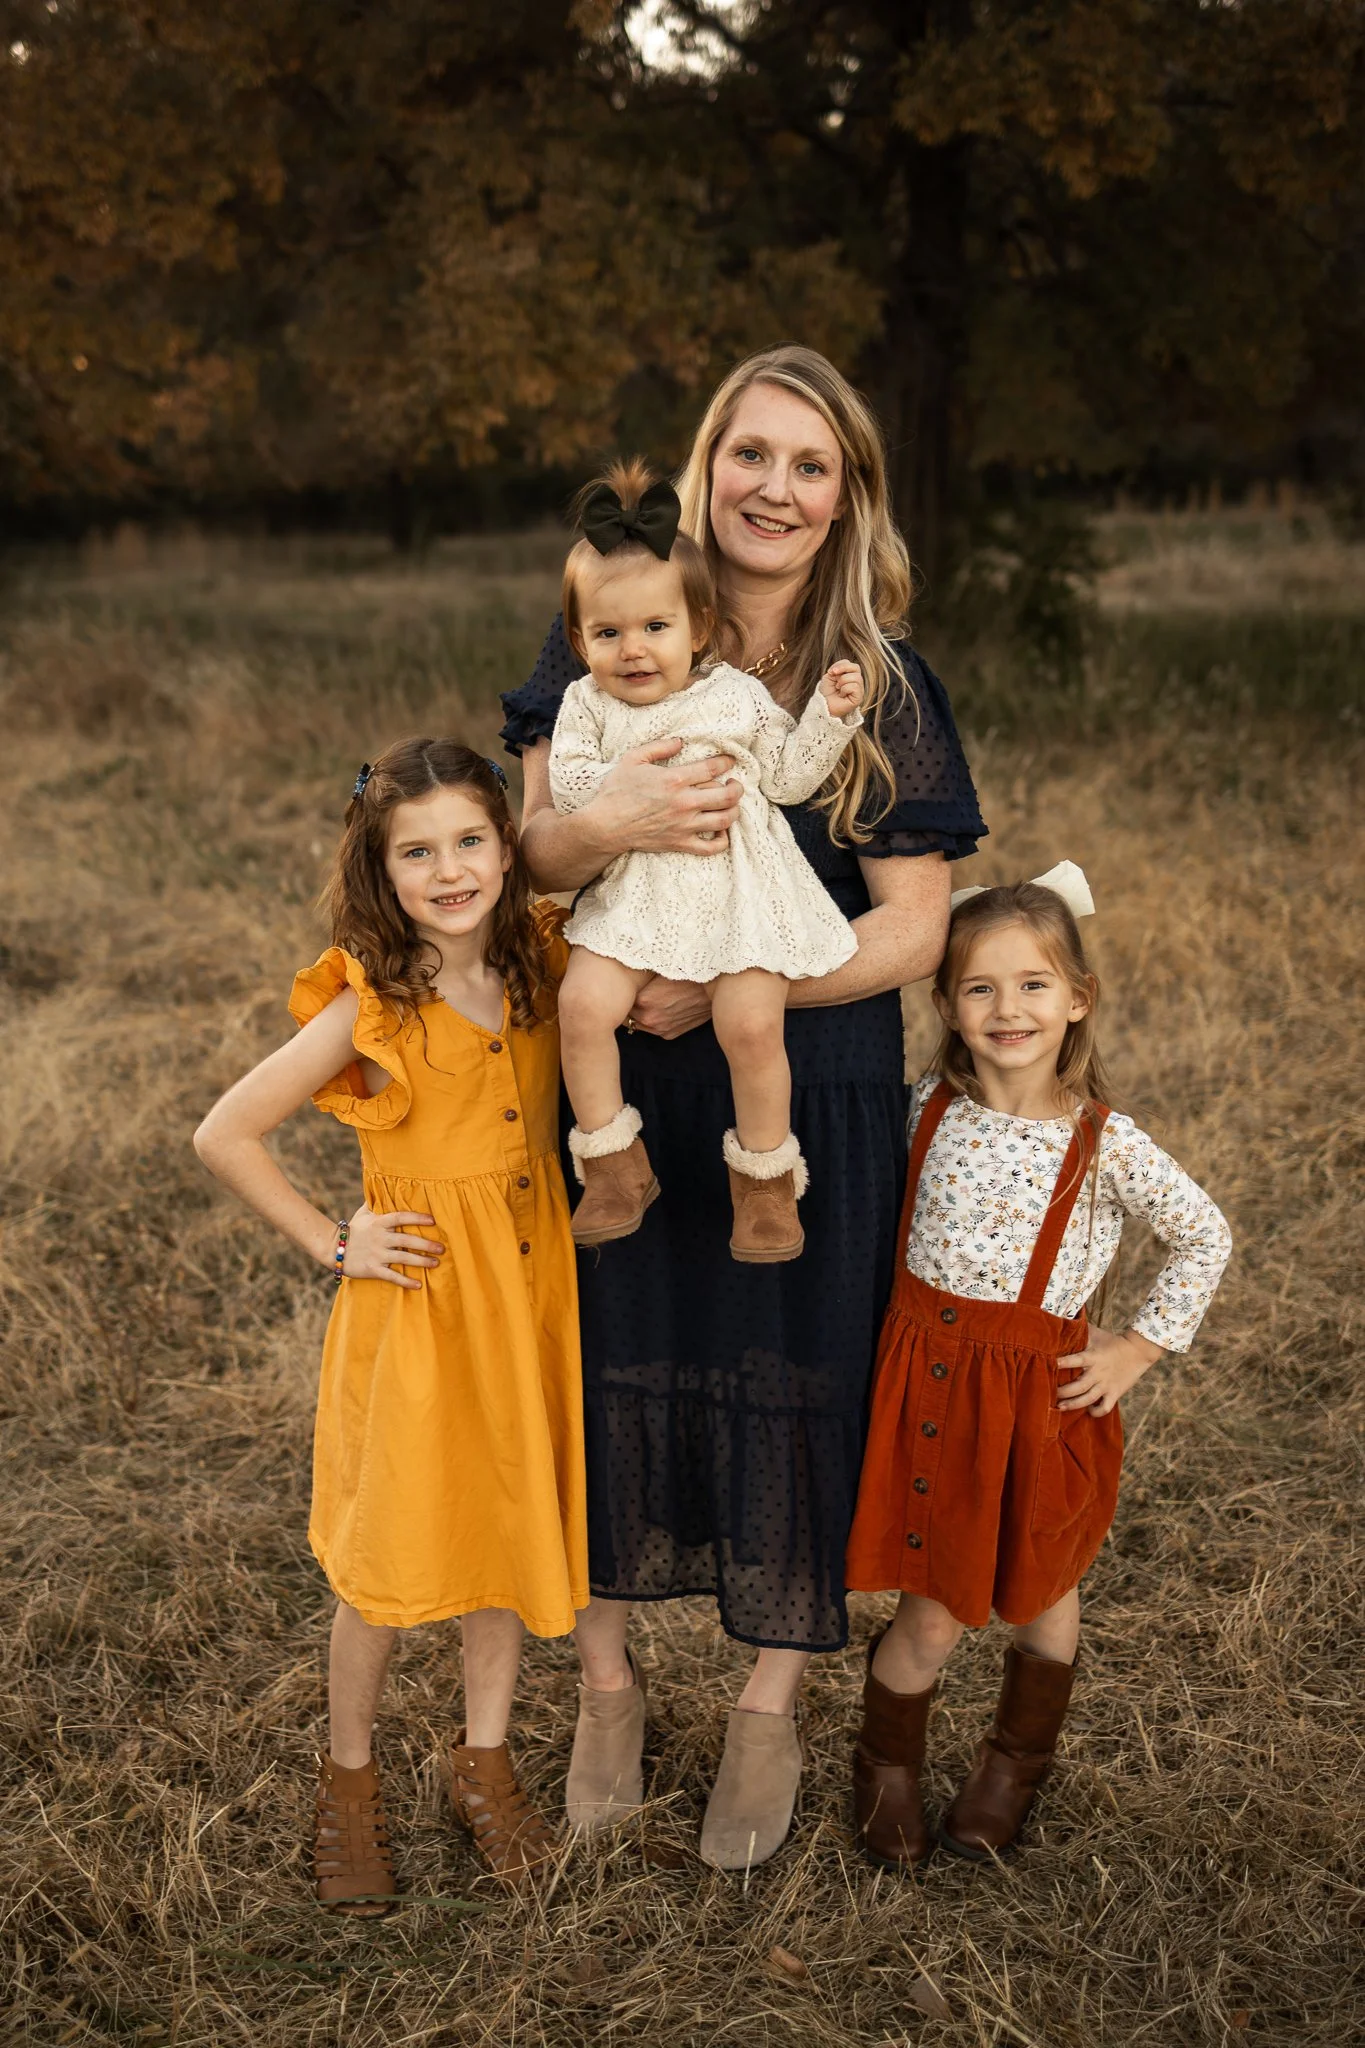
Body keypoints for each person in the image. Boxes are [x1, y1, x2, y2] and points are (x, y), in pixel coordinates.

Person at [500, 344, 986, 1870]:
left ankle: (770, 1702)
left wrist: (727, 985)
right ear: (708, 465)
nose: (774, 488)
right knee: (609, 1362)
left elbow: (914, 929)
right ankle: (606, 1684)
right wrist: (609, 819)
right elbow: (525, 853)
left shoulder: (878, 685)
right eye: (751, 454)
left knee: (795, 1374)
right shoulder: (614, 621)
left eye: (810, 465)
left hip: (799, 1075)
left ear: (848, 499)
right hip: (623, 1080)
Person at [192, 740, 587, 1912]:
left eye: (470, 841)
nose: (449, 870)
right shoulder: (371, 1001)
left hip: (527, 1292)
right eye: (417, 852)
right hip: (420, 1304)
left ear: (508, 847)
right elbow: (225, 1132)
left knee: (505, 1523)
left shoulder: (544, 960)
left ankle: (485, 1763)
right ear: (381, 867)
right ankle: (349, 1781)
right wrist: (335, 1239)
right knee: (386, 1555)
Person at [843, 868, 1232, 1869]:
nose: (1007, 1008)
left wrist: (1137, 1346)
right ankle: (885, 1764)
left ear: (1077, 999)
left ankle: (1016, 1760)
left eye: (1032, 985)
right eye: (980, 987)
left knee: (1043, 1588)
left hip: (1036, 1402)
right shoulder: (923, 1109)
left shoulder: (1104, 1144)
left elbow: (1204, 1235)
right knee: (932, 1607)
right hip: (927, 1391)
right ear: (946, 1005)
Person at [551, 457, 867, 1262]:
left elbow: (789, 778)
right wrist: (623, 791)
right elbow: (567, 785)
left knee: (751, 1024)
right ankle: (613, 1165)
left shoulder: (734, 697)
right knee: (581, 1005)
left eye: (655, 628)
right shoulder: (584, 704)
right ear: (579, 641)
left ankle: (764, 1184)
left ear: (697, 629)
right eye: (607, 633)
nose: (632, 650)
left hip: (739, 892)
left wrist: (828, 718)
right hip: (635, 894)